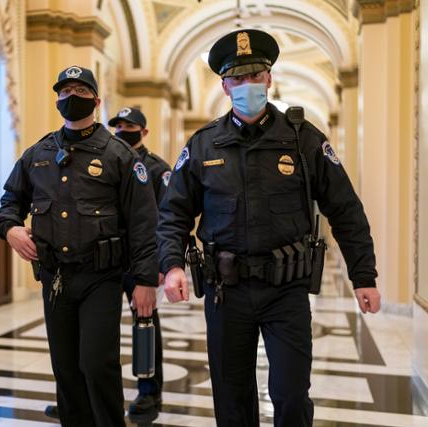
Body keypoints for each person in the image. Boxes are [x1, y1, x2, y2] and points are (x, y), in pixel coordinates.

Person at [157, 29, 381, 427]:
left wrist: (363, 275)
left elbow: (345, 210)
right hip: (227, 293)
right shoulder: (204, 145)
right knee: (232, 398)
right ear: (225, 86)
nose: (248, 85)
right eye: (238, 79)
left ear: (269, 79)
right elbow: (173, 212)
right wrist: (173, 264)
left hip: (287, 292)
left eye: (255, 75)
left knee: (292, 395)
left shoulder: (304, 140)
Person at [0, 66, 159, 427]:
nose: (72, 97)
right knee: (66, 367)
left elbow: (144, 223)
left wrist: (146, 280)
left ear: (97, 101)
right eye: (65, 91)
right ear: (56, 99)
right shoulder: (37, 153)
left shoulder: (119, 155)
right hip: (55, 276)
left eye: (81, 91)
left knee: (97, 362)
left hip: (101, 275)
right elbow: (10, 200)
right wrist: (10, 229)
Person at [109, 107, 170, 419]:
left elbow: (168, 218)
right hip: (106, 259)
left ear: (144, 131)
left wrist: (161, 263)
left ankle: (149, 391)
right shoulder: (107, 161)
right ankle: (86, 393)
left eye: (130, 125)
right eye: (118, 125)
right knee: (98, 328)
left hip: (142, 261)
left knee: (145, 325)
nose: (122, 130)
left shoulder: (158, 169)